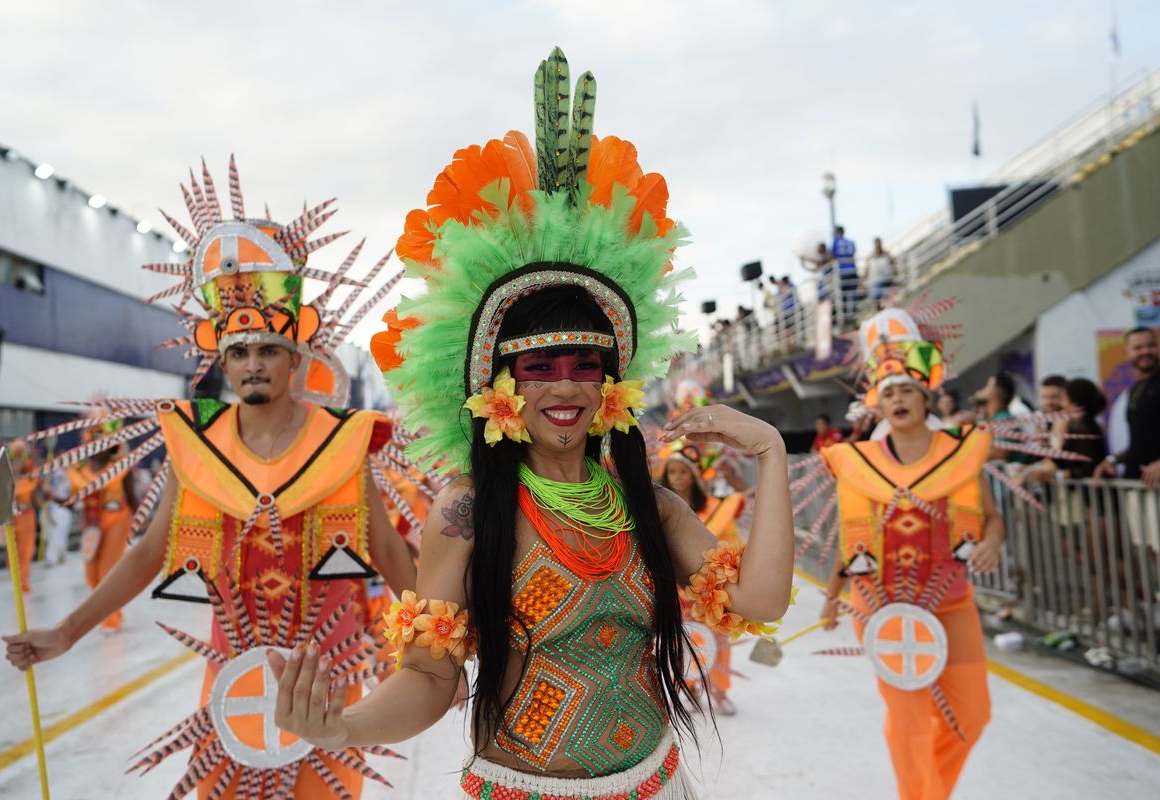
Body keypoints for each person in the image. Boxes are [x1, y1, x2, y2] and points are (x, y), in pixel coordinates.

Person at [272, 48, 796, 800]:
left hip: (655, 785)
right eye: (540, 366)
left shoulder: (646, 506)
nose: (566, 386)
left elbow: (762, 602)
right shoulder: (467, 511)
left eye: (585, 365)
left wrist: (772, 451)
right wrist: (344, 728)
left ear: (612, 384)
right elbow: (430, 676)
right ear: (499, 386)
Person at [3, 157, 421, 797]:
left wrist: (442, 647)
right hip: (233, 682)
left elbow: (389, 552)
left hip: (326, 675)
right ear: (222, 363)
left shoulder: (342, 441)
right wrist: (66, 631)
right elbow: (148, 553)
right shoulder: (197, 447)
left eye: (269, 350)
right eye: (240, 351)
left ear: (293, 359)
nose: (254, 363)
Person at [810, 305, 1005, 800]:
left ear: (925, 396)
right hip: (882, 607)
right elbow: (850, 537)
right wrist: (833, 596)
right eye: (889, 392)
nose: (897, 399)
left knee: (972, 716)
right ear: (878, 404)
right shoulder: (860, 462)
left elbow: (991, 516)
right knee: (911, 722)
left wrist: (992, 541)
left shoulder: (959, 453)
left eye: (906, 390)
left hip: (951, 601)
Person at [658, 441, 748, 716]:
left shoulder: (715, 508)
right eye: (672, 472)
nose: (678, 477)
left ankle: (719, 689)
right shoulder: (659, 508)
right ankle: (689, 687)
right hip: (675, 588)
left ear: (694, 476)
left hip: (711, 589)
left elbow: (731, 548)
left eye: (683, 471)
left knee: (718, 640)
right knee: (682, 640)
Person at [1093, 327, 1160, 489]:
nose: (1145, 351)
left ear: (1158, 347)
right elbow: (1142, 443)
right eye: (1138, 347)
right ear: (1126, 353)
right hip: (1138, 484)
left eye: (1150, 345)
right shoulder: (1135, 388)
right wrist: (1112, 460)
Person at [68, 443, 137, 632]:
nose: (98, 446)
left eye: (102, 441)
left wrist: (140, 519)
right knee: (91, 574)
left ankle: (110, 620)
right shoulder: (79, 471)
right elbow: (72, 499)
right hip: (91, 526)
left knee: (107, 571)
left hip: (117, 520)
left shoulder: (121, 466)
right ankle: (111, 611)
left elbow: (131, 494)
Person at [5, 443, 40, 592]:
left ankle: (23, 582)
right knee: (11, 551)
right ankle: (16, 580)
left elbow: (35, 481)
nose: (17, 465)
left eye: (20, 461)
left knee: (26, 550)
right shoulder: (5, 481)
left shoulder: (28, 478)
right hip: (11, 519)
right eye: (14, 462)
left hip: (26, 517)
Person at [42, 459, 74, 567]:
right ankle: (51, 558)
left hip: (65, 508)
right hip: (55, 507)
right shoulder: (54, 473)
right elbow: (47, 491)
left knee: (62, 533)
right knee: (54, 534)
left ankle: (61, 555)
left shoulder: (69, 472)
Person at [832, 225, 860, 324]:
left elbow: (832, 255)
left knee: (843, 296)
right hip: (852, 270)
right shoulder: (851, 242)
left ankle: (845, 318)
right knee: (852, 295)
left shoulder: (836, 241)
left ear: (837, 232)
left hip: (842, 272)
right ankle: (852, 316)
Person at [865, 237, 898, 307]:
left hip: (887, 281)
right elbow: (866, 270)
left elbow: (894, 265)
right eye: (876, 244)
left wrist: (895, 274)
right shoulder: (871, 257)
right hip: (875, 283)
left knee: (887, 300)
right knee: (876, 299)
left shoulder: (887, 254)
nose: (878, 245)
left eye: (879, 243)